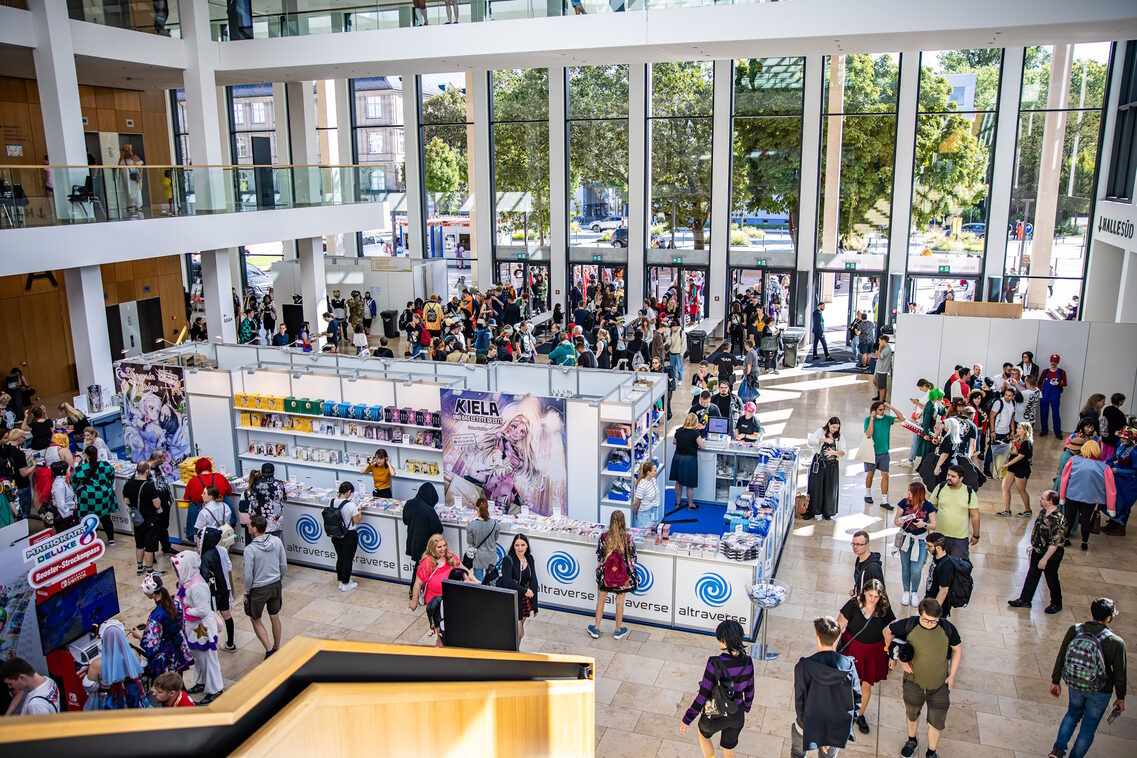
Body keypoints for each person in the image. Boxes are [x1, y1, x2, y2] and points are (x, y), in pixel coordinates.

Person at [883, 598, 963, 758]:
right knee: (912, 712)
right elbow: (887, 631)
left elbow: (957, 650)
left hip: (939, 684)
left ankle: (931, 752)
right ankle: (912, 741)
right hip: (913, 682)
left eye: (934, 621)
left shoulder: (947, 628)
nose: (930, 624)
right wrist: (893, 655)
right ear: (920, 614)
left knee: (937, 720)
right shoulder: (910, 625)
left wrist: (952, 675)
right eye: (926, 620)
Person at [1048, 597, 1127, 758]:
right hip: (1101, 691)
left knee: (1071, 715)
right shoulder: (1116, 642)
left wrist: (1056, 681)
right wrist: (1120, 697)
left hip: (1076, 684)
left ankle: (1057, 750)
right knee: (1088, 728)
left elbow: (1062, 655)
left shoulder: (1075, 630)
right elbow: (1120, 673)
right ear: (1109, 617)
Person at [680, 619, 756, 758]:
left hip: (713, 712)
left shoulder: (714, 663)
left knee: (703, 734)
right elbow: (750, 690)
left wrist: (688, 718)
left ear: (724, 641)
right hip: (736, 714)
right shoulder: (748, 662)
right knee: (729, 749)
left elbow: (703, 695)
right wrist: (746, 707)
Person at [791, 616, 860, 758]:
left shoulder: (803, 667)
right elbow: (856, 700)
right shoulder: (849, 666)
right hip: (836, 728)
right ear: (836, 638)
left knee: (797, 754)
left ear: (816, 635)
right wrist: (836, 731)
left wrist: (816, 732)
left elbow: (800, 701)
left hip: (807, 725)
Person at [837, 580, 893, 736]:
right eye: (870, 595)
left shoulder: (884, 609)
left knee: (866, 685)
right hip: (853, 649)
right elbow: (839, 626)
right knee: (847, 682)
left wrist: (891, 654)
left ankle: (859, 715)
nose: (873, 599)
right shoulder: (853, 605)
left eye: (876, 596)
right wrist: (831, 650)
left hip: (874, 652)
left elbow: (890, 631)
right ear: (864, 592)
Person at [171, 551, 223, 703]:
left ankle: (215, 688)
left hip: (202, 628)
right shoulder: (188, 581)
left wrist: (184, 611)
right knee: (198, 658)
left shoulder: (197, 586)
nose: (176, 571)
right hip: (193, 627)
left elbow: (203, 610)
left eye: (177, 568)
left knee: (207, 658)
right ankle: (201, 682)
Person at [1007, 490, 1068, 614]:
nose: (1040, 500)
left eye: (1043, 498)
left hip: (1051, 554)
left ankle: (1056, 603)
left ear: (1050, 501)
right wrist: (1032, 549)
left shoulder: (1059, 519)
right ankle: (1025, 600)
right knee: (1032, 575)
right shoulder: (1043, 512)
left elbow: (1055, 543)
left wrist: (1045, 559)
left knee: (1051, 578)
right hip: (1038, 550)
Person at [587, 510, 637, 641]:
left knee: (601, 600)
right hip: (622, 577)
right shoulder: (628, 538)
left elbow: (599, 556)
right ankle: (618, 630)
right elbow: (632, 558)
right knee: (620, 603)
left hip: (606, 576)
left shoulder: (604, 537)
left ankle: (596, 628)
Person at [1059, 440, 1117, 552]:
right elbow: (1111, 489)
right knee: (1086, 520)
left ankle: (1065, 539)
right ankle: (1084, 543)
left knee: (1069, 517)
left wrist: (1062, 496)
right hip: (1091, 498)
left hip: (1072, 494)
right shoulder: (1104, 467)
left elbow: (1064, 479)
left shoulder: (1073, 460)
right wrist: (1111, 507)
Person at [133, 573, 191, 682]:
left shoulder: (156, 615)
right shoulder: (176, 602)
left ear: (152, 594)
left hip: (168, 653)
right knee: (179, 680)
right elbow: (178, 624)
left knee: (172, 685)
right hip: (179, 646)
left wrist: (139, 636)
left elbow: (151, 644)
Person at [244, 514, 286, 659]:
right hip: (275, 584)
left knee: (255, 618)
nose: (247, 526)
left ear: (255, 528)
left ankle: (269, 650)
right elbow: (283, 565)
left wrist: (248, 590)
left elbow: (248, 575)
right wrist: (279, 577)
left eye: (249, 524)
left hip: (258, 588)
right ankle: (277, 646)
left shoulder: (250, 550)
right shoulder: (277, 541)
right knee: (275, 616)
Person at [409, 534, 463, 647]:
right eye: (439, 547)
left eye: (444, 546)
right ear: (433, 548)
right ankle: (439, 643)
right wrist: (414, 602)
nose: (443, 549)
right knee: (439, 624)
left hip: (450, 598)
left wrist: (474, 579)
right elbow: (418, 583)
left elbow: (462, 568)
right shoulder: (428, 563)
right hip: (435, 601)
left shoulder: (450, 557)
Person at [82, 621, 150, 710]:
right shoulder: (133, 654)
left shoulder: (97, 664)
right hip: (132, 698)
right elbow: (138, 674)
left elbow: (90, 688)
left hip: (109, 703)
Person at [894, 482, 937, 607]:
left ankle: (914, 592)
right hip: (906, 538)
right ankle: (906, 591)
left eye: (910, 492)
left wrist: (924, 525)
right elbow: (897, 518)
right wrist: (899, 522)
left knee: (916, 569)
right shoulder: (904, 503)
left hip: (921, 540)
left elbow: (934, 524)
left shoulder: (928, 506)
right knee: (905, 565)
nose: (908, 494)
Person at [199, 522, 237, 652]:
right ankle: (231, 643)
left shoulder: (204, 556)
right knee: (227, 615)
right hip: (225, 588)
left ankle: (211, 646)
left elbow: (203, 576)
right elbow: (229, 567)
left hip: (212, 593)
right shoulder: (222, 550)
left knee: (211, 618)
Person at [928, 465, 980, 559]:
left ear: (961, 478)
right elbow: (930, 509)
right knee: (939, 566)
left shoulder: (969, 492)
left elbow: (974, 516)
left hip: (959, 538)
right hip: (940, 537)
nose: (949, 478)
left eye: (953, 476)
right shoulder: (940, 488)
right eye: (948, 475)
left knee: (957, 566)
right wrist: (928, 529)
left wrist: (976, 535)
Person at [72, 445, 118, 546]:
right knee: (106, 518)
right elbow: (111, 477)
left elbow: (73, 482)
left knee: (89, 519)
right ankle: (111, 540)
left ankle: (92, 539)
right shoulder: (105, 465)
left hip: (87, 498)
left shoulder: (81, 469)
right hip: (104, 496)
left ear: (86, 456)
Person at [123, 461, 162, 576]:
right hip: (149, 519)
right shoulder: (149, 486)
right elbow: (157, 504)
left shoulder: (128, 484)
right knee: (149, 545)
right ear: (147, 471)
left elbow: (126, 501)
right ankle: (150, 569)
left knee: (139, 543)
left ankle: (140, 566)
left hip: (137, 519)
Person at [499, 533, 540, 643]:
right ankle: (511, 655)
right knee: (519, 633)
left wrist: (535, 605)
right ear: (513, 546)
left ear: (527, 546)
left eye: (523, 545)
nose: (520, 548)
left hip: (524, 600)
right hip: (511, 599)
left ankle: (515, 653)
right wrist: (525, 591)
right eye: (517, 545)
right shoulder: (508, 560)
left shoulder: (529, 558)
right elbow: (507, 582)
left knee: (517, 631)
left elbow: (534, 580)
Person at [403, 482, 443, 594]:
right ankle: (416, 590)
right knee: (422, 568)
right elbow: (438, 530)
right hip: (425, 544)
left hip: (412, 541)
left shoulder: (409, 504)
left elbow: (405, 521)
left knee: (418, 566)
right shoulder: (429, 511)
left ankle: (415, 590)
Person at [863, 401, 903, 510]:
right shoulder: (868, 420)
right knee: (870, 473)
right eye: (880, 410)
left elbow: (902, 418)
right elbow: (868, 433)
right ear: (874, 410)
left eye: (883, 409)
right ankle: (867, 494)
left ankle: (884, 500)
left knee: (885, 475)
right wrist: (871, 419)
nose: (882, 412)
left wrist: (891, 407)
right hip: (872, 452)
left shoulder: (887, 419)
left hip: (884, 452)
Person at [184, 457, 233, 543]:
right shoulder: (220, 477)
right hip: (222, 511)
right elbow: (229, 492)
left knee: (201, 538)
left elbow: (186, 499)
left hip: (200, 513)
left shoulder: (193, 481)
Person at [805, 418, 845, 520]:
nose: (835, 429)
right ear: (829, 424)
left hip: (832, 465)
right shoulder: (820, 431)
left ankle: (827, 512)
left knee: (830, 489)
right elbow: (810, 441)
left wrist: (834, 453)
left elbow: (843, 452)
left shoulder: (839, 437)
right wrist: (823, 440)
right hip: (819, 463)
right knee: (815, 487)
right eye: (833, 427)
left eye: (837, 428)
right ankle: (812, 511)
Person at [924, 532, 969, 618]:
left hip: (938, 607)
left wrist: (934, 612)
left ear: (939, 548)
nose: (927, 548)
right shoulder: (937, 559)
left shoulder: (945, 567)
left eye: (929, 546)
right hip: (930, 599)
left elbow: (943, 591)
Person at [328, 482, 362, 592]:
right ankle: (346, 583)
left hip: (335, 534)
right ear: (348, 492)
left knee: (341, 557)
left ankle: (341, 580)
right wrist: (359, 510)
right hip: (349, 535)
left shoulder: (332, 502)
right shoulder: (351, 505)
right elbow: (356, 520)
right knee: (348, 559)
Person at [671, 413, 705, 511]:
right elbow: (702, 446)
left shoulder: (679, 430)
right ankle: (690, 504)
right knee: (690, 484)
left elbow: (674, 441)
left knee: (678, 482)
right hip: (690, 460)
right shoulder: (695, 433)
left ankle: (677, 502)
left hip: (678, 458)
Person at [465, 497, 499, 581]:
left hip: (478, 556)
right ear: (487, 508)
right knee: (491, 579)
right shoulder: (495, 524)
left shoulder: (472, 525)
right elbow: (495, 538)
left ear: (477, 508)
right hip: (491, 555)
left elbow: (470, 543)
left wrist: (467, 529)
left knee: (478, 580)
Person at [248, 462, 286, 538]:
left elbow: (253, 505)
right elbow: (284, 498)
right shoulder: (280, 484)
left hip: (261, 524)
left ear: (261, 472)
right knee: (274, 545)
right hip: (276, 521)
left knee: (259, 546)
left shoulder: (257, 485)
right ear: (274, 472)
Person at [851, 530, 884, 596]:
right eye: (853, 544)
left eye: (859, 544)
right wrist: (855, 590)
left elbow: (878, 593)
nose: (855, 547)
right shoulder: (859, 559)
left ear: (867, 545)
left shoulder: (873, 568)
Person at [632, 460, 662, 529]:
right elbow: (636, 503)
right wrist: (636, 514)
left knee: (653, 533)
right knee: (647, 536)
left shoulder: (653, 480)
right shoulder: (642, 485)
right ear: (649, 472)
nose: (656, 472)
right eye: (654, 470)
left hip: (654, 511)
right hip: (645, 514)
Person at [1101, 392, 1127, 460]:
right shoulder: (1120, 414)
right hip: (1113, 438)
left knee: (1104, 453)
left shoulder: (1106, 409)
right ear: (1120, 401)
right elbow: (1124, 427)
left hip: (1105, 435)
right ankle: (1107, 469)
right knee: (1110, 456)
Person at [874, 335, 893, 402]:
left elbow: (879, 356)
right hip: (879, 369)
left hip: (883, 370)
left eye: (880, 341)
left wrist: (879, 348)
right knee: (875, 381)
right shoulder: (884, 348)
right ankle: (880, 394)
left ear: (883, 341)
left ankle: (881, 400)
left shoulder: (887, 349)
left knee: (882, 386)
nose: (879, 342)